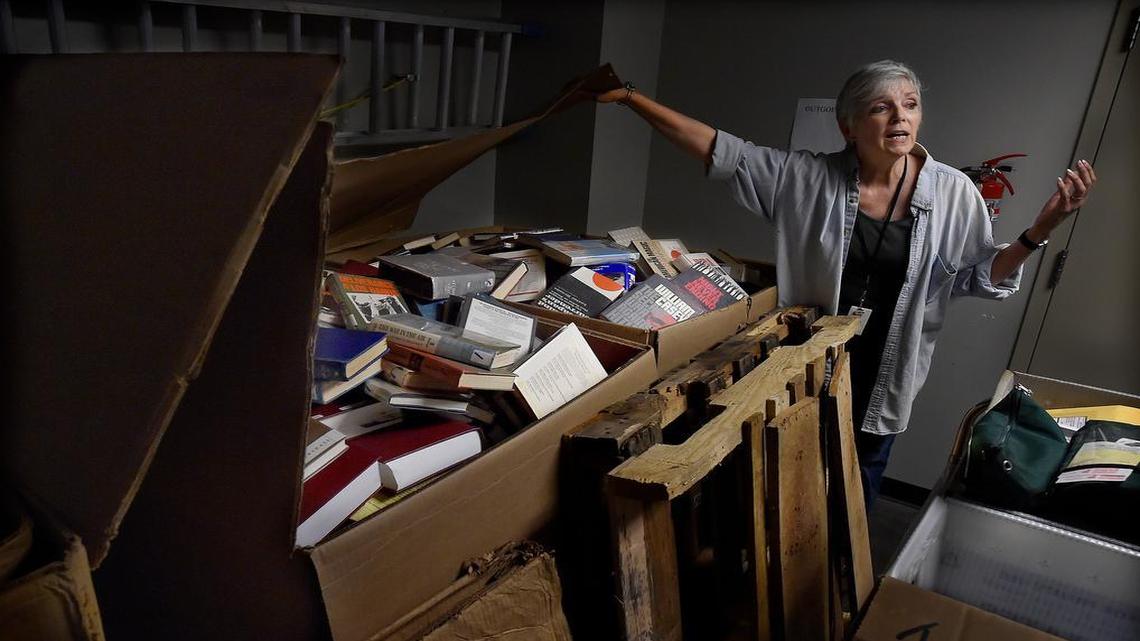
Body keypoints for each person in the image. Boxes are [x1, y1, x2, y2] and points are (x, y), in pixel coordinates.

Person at [593, 60, 1097, 505]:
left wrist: (1039, 231)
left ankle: (840, 604)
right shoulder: (807, 178)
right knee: (781, 488)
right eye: (882, 108)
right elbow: (723, 151)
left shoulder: (953, 193)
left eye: (910, 105)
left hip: (885, 375)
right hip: (805, 368)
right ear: (849, 126)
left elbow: (982, 277)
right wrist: (631, 98)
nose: (900, 117)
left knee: (857, 492)